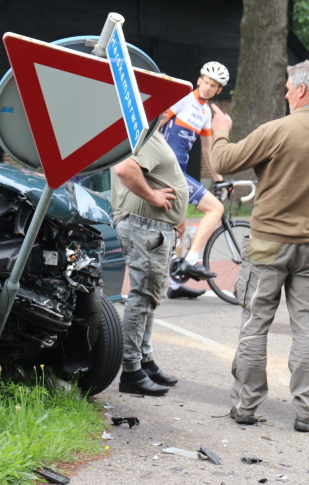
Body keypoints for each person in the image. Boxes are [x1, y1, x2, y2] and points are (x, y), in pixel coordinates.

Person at [210, 61, 309, 434]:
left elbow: (223, 161)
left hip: (268, 244)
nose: (285, 93)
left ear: (301, 90)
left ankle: (246, 405)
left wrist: (220, 131)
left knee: (255, 325)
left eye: (288, 88)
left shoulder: (278, 130)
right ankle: (307, 411)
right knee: (307, 330)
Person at [111, 130, 189, 396]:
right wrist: (152, 196)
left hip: (151, 227)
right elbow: (124, 168)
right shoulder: (142, 132)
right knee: (143, 296)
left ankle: (144, 361)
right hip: (145, 226)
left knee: (150, 296)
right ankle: (131, 371)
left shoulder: (148, 131)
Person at [158, 62, 229, 299]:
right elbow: (158, 122)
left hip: (179, 171)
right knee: (216, 209)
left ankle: (175, 285)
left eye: (213, 85)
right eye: (206, 82)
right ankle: (191, 260)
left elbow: (208, 151)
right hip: (169, 171)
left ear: (218, 90)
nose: (208, 87)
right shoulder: (184, 98)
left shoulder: (206, 113)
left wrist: (219, 179)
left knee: (180, 227)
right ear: (199, 80)